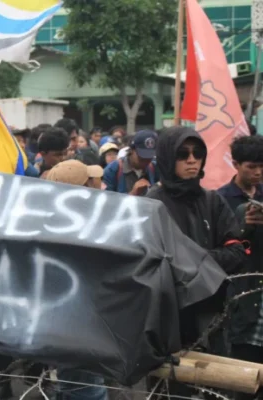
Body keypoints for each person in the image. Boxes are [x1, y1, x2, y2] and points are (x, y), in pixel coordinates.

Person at [146, 126, 247, 347]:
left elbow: (236, 253)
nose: (192, 160)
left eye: (198, 153)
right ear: (167, 157)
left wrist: (191, 259)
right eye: (183, 154)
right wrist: (205, 263)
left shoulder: (213, 201)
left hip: (211, 313)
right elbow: (152, 262)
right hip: (168, 318)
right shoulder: (152, 204)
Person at [44, 160, 108, 400]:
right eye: (89, 182)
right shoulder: (79, 227)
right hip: (78, 327)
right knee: (86, 388)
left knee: (73, 385)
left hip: (71, 326)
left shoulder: (52, 222)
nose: (96, 184)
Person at [217, 136, 263, 394]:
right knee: (243, 375)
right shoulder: (221, 200)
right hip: (241, 296)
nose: (257, 172)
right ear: (235, 164)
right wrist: (242, 227)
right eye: (251, 167)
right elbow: (220, 249)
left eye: (262, 166)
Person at [102, 130, 158, 195]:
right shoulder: (112, 170)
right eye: (142, 158)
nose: (146, 161)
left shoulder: (154, 168)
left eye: (149, 157)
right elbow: (107, 198)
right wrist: (132, 193)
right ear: (131, 150)